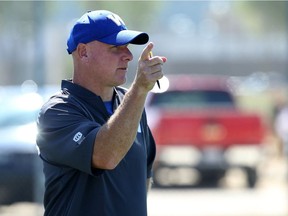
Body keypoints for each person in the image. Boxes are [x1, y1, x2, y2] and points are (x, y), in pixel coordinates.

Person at [36, 10, 166, 216]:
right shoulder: (57, 112)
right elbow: (106, 156)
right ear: (83, 52)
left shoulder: (132, 103)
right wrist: (139, 90)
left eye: (128, 47)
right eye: (116, 47)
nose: (129, 55)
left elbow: (143, 179)